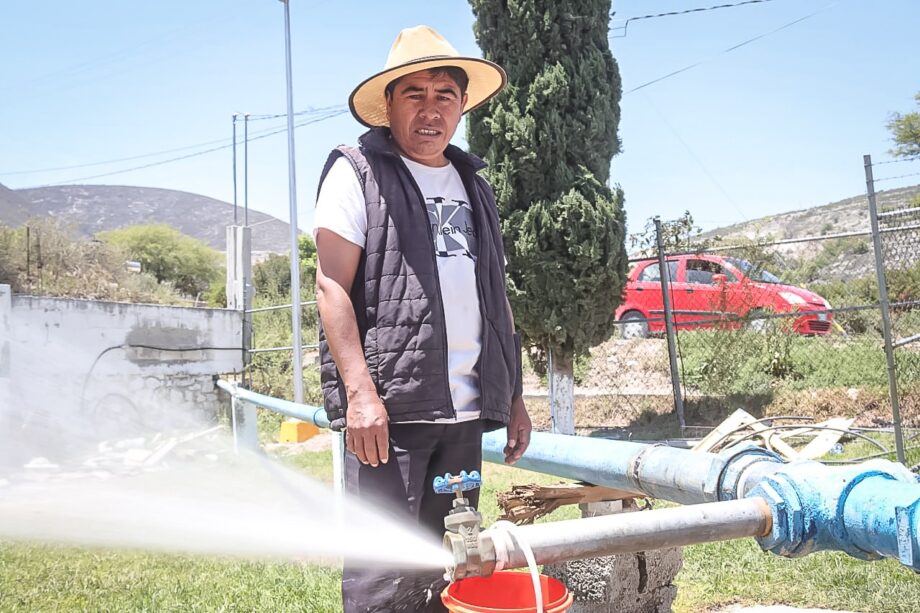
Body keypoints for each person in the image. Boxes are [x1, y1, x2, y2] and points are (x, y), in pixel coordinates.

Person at [314, 24, 532, 612]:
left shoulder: (475, 185)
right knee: (383, 572)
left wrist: (513, 394)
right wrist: (361, 395)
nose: (431, 110)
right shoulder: (357, 171)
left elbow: (496, 296)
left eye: (445, 96)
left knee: (451, 562)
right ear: (388, 105)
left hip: (464, 411)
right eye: (415, 94)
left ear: (462, 106)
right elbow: (331, 285)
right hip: (391, 414)